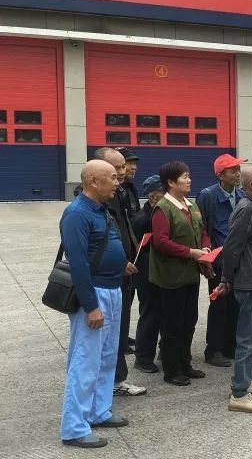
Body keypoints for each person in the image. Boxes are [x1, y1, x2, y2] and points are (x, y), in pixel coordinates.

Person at [60, 160, 133, 449]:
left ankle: (98, 411)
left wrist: (121, 263)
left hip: (113, 290)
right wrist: (91, 306)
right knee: (85, 362)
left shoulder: (102, 209)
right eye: (112, 177)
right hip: (94, 295)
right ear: (93, 181)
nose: (118, 182)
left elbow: (101, 246)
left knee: (106, 357)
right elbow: (78, 263)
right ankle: (74, 427)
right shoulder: (77, 214)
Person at [215, 166, 252, 413]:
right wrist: (226, 278)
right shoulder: (247, 209)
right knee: (249, 338)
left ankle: (245, 381)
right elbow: (232, 247)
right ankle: (239, 393)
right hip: (251, 281)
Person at [150, 161, 213, 386]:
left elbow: (202, 231)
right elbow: (161, 242)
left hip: (190, 274)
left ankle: (185, 363)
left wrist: (204, 247)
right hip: (172, 276)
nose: (189, 180)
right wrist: (190, 252)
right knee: (173, 325)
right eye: (184, 177)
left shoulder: (191, 205)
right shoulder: (163, 208)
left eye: (189, 176)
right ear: (170, 182)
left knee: (189, 321)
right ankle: (172, 369)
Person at [93, 147, 146, 397]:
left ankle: (115, 378)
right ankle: (110, 381)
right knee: (107, 332)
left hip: (125, 271)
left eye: (123, 167)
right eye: (116, 169)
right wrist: (118, 261)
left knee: (119, 328)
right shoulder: (95, 203)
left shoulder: (122, 193)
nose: (122, 172)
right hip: (108, 277)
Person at [196, 154, 247, 368]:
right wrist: (205, 260)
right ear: (220, 175)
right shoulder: (207, 196)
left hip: (239, 259)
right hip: (218, 260)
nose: (238, 174)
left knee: (236, 303)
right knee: (219, 305)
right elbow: (202, 229)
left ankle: (230, 345)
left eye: (238, 169)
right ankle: (213, 349)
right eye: (233, 170)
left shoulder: (242, 195)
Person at [131, 175, 164, 374]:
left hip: (163, 272)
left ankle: (164, 350)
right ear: (153, 197)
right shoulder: (142, 220)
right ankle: (143, 357)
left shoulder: (163, 213)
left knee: (166, 314)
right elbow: (136, 251)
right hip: (147, 275)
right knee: (150, 315)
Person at [116, 147, 141, 216]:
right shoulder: (110, 190)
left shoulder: (131, 189)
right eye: (130, 164)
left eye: (134, 164)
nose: (134, 168)